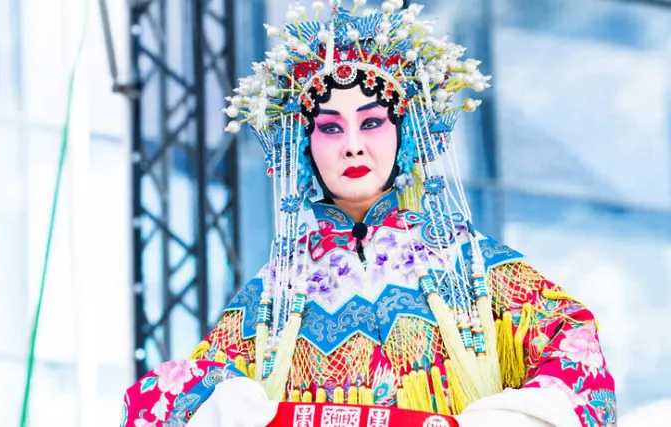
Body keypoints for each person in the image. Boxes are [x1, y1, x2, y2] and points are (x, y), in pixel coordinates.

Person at [119, 2, 616, 426]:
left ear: (406, 132)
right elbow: (163, 400)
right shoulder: (274, 296)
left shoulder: (469, 265)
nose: (353, 146)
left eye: (373, 122)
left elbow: (575, 347)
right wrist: (231, 406)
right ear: (304, 146)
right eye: (331, 128)